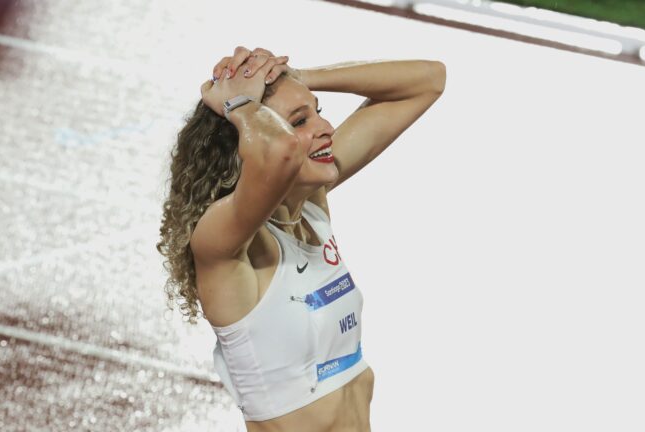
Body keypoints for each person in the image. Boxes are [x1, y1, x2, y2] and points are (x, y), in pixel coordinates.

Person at [157, 46, 446, 431]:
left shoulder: (308, 205)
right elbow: (279, 152)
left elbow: (428, 80)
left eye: (317, 112)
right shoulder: (221, 245)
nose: (324, 129)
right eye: (299, 121)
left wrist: (291, 77)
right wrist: (242, 103)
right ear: (246, 142)